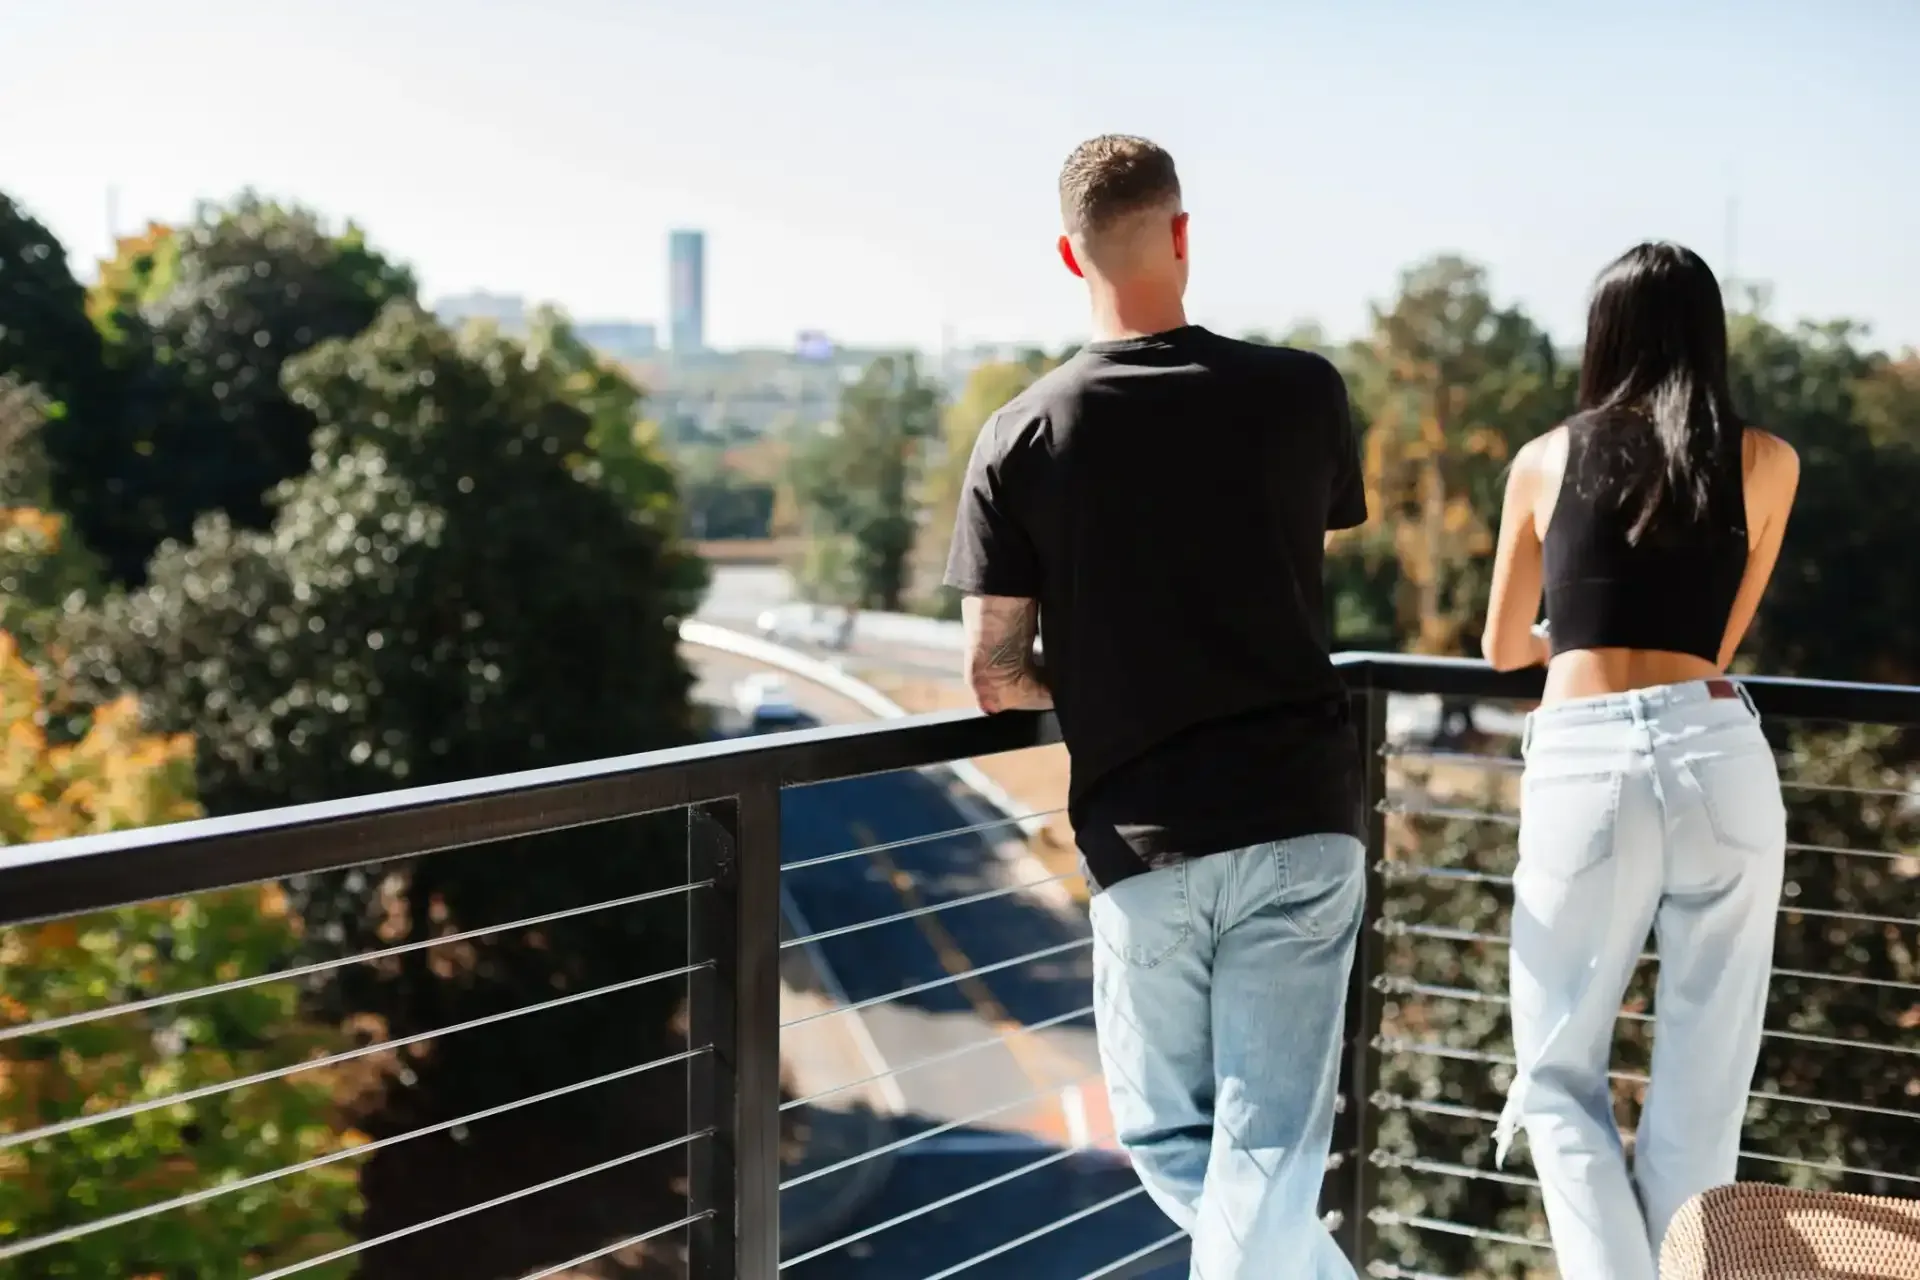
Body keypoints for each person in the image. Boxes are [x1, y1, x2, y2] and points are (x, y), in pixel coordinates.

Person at [943, 134, 1369, 1279]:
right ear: (1183, 234)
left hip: (1145, 841)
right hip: (1301, 817)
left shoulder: (1020, 434)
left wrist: (1100, 690)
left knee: (1176, 1145)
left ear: (1066, 253)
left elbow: (994, 671)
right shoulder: (1303, 390)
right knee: (1267, 1164)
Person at [1481, 241, 1801, 1280]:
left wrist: (1567, 638)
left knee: (1559, 1071)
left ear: (1602, 335)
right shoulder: (1767, 460)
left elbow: (1499, 648)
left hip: (1588, 766)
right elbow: (1721, 644)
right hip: (1719, 753)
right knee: (1705, 1079)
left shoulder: (1543, 458)